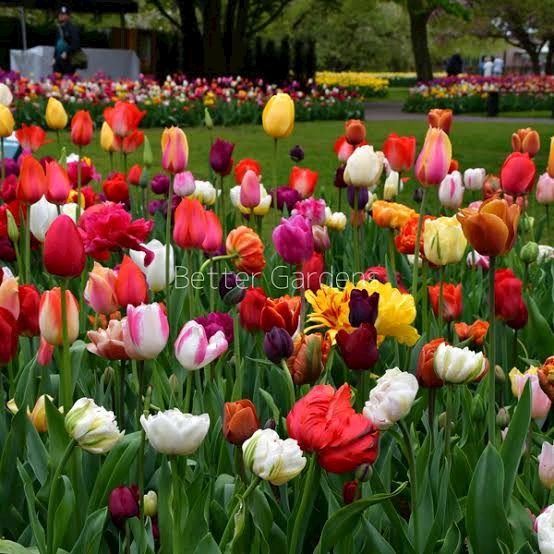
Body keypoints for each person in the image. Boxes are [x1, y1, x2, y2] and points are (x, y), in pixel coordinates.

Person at [53, 5, 80, 75]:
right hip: (58, 61)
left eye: (63, 14)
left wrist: (67, 53)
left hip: (69, 61)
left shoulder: (72, 28)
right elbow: (57, 45)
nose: (60, 16)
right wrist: (54, 57)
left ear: (68, 16)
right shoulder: (59, 29)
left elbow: (76, 44)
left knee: (68, 80)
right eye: (60, 14)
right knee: (56, 79)